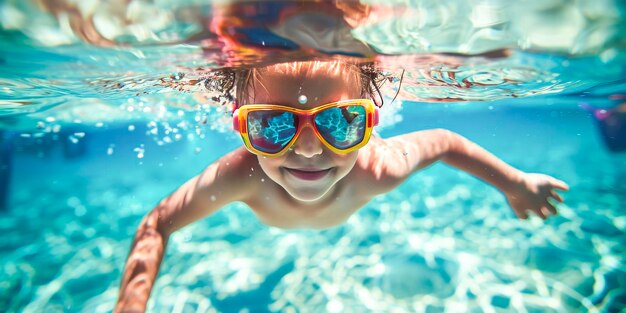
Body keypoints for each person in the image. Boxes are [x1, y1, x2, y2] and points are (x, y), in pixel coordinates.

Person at [114, 59, 569, 312]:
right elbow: (157, 225)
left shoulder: (380, 166)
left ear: (371, 122)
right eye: (273, 126)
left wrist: (516, 183)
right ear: (242, 129)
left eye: (340, 122)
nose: (310, 151)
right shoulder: (240, 176)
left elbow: (446, 142)